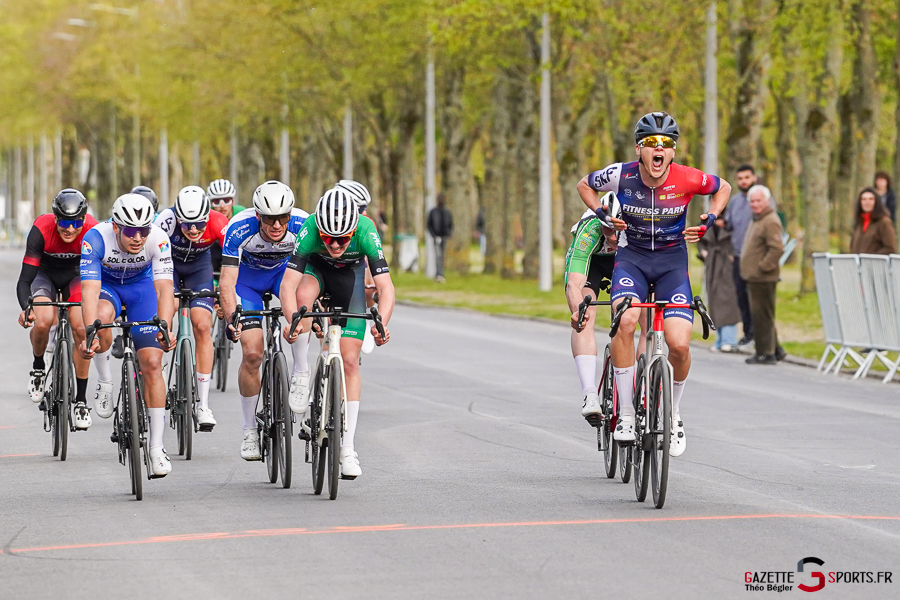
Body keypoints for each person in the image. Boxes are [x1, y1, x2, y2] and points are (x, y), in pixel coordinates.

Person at [576, 111, 732, 457]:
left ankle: (674, 413)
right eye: (650, 143)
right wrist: (601, 213)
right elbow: (584, 184)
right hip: (631, 261)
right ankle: (627, 416)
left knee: (679, 345)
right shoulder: (621, 174)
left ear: (673, 152)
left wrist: (712, 217)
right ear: (639, 150)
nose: (658, 149)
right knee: (626, 322)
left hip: (672, 265)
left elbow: (724, 187)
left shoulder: (689, 178)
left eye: (666, 144)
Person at [280, 187, 394, 479]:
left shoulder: (366, 230)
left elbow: (385, 287)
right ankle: (302, 372)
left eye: (342, 239)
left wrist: (381, 323)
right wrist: (292, 321)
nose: (334, 244)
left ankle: (347, 448)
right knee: (304, 299)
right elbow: (288, 286)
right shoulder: (309, 230)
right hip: (316, 272)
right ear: (320, 228)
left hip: (350, 278)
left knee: (351, 360)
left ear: (353, 229)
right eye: (328, 238)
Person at [79, 193, 176, 476]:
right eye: (131, 231)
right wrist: (90, 333)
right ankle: (106, 381)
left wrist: (165, 327)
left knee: (153, 364)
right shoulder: (96, 239)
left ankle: (156, 447)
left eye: (143, 230)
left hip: (141, 290)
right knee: (101, 320)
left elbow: (164, 290)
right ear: (117, 227)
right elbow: (89, 292)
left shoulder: (158, 239)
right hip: (108, 289)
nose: (138, 237)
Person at [217, 180, 311, 461]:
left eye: (283, 217)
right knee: (253, 353)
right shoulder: (238, 228)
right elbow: (227, 282)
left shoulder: (304, 224)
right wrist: (233, 317)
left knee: (301, 316)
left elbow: (312, 277)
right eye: (270, 219)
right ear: (258, 215)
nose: (277, 225)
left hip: (286, 276)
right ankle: (248, 430)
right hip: (248, 284)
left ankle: (301, 373)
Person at [17, 189, 98, 429]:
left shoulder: (92, 231)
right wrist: (26, 308)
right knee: (43, 320)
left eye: (76, 223)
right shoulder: (41, 229)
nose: (70, 229)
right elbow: (24, 280)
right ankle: (39, 368)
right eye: (64, 222)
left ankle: (81, 400)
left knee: (81, 328)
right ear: (55, 219)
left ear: (83, 220)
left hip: (76, 276)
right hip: (44, 276)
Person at [156, 186, 230, 430]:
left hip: (199, 270)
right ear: (177, 218)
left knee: (202, 325)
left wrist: (225, 296)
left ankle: (203, 404)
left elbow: (233, 261)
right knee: (167, 313)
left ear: (207, 217)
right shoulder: (164, 221)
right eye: (187, 225)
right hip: (170, 267)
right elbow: (149, 257)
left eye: (199, 224)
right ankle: (159, 366)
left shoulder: (219, 222)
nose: (194, 230)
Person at [565, 192, 617, 418]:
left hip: (623, 261)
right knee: (586, 315)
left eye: (618, 229)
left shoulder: (636, 227)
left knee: (630, 312)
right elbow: (573, 284)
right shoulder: (590, 230)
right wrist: (578, 311)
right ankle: (589, 393)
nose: (614, 236)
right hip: (592, 261)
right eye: (609, 229)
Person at [723, 165, 774, 349]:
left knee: (758, 301)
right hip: (738, 257)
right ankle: (748, 334)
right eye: (740, 178)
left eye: (747, 177)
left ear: (754, 177)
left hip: (757, 260)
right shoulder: (735, 202)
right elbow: (728, 228)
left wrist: (764, 263)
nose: (743, 181)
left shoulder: (763, 200)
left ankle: (762, 340)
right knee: (741, 298)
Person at [740, 185, 784, 365]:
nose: (755, 204)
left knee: (761, 316)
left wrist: (762, 267)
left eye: (758, 201)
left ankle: (765, 353)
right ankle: (777, 349)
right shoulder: (757, 219)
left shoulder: (770, 220)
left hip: (763, 277)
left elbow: (776, 249)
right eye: (752, 201)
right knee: (762, 314)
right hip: (753, 277)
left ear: (767, 201)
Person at [697, 215, 741, 352]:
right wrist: (704, 253)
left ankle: (729, 340)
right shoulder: (706, 219)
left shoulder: (731, 217)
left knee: (728, 301)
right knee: (715, 301)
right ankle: (721, 339)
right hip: (713, 265)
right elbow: (701, 240)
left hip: (726, 265)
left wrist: (734, 254)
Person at [206, 179, 247, 277]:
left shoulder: (242, 213)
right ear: (211, 204)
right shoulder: (207, 215)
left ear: (232, 201)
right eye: (216, 201)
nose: (222, 205)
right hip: (215, 249)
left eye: (226, 200)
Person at [850, 187, 897, 255]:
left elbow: (890, 248)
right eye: (864, 199)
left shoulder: (884, 222)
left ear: (876, 202)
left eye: (871, 199)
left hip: (876, 264)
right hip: (858, 265)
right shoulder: (858, 223)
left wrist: (871, 258)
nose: (867, 202)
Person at [427, 193, 453, 282]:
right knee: (438, 255)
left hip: (444, 236)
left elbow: (450, 224)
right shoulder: (433, 212)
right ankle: (439, 274)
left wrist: (448, 233)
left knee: (442, 256)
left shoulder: (447, 212)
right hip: (436, 236)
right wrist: (434, 235)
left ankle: (441, 273)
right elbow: (429, 224)